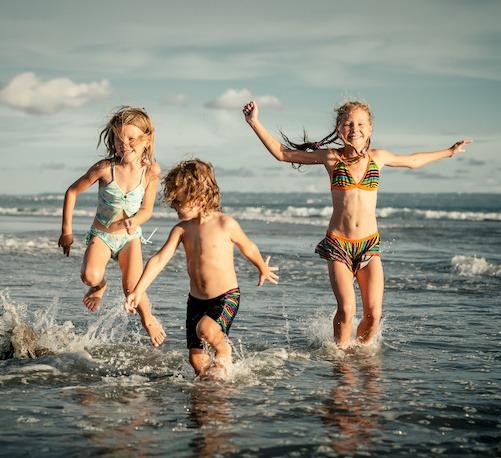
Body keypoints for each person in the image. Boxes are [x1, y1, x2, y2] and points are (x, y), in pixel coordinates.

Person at [243, 100, 471, 349]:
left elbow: (414, 161)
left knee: (373, 315)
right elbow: (283, 154)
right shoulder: (331, 158)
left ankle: (361, 355)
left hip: (369, 246)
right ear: (339, 128)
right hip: (339, 245)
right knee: (347, 311)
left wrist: (449, 151)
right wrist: (254, 122)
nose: (355, 128)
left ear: (370, 128)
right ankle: (340, 360)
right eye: (348, 123)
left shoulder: (378, 157)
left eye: (361, 123)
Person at [125, 159, 278, 378]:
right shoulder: (181, 229)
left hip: (225, 297)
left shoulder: (225, 223)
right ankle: (213, 385)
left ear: (201, 196)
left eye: (178, 200)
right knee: (196, 360)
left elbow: (248, 247)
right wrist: (138, 290)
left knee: (206, 330)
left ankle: (224, 349)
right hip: (196, 301)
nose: (174, 205)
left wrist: (262, 266)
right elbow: (159, 259)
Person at [58, 106, 166, 347]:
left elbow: (147, 210)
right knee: (89, 276)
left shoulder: (151, 172)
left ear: (146, 140)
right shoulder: (105, 169)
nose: (124, 144)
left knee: (132, 288)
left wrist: (135, 221)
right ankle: (100, 286)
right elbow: (72, 191)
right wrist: (66, 231)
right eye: (118, 139)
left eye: (131, 139)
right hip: (103, 235)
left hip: (130, 238)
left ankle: (148, 320)